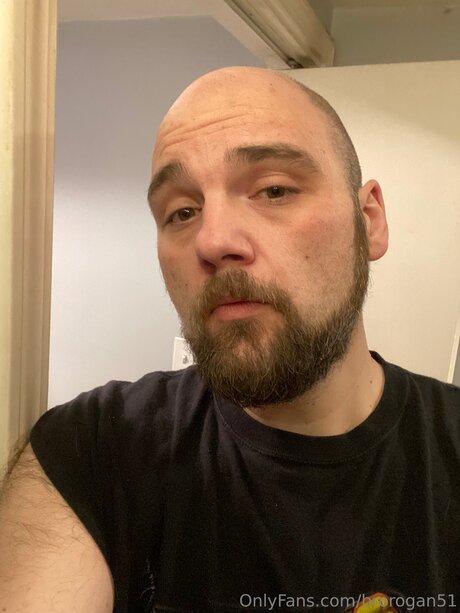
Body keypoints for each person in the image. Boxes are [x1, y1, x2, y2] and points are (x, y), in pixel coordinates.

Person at [0, 66, 459, 613]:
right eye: (182, 212)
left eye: (274, 190)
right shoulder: (93, 448)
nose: (213, 241)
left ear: (369, 220)